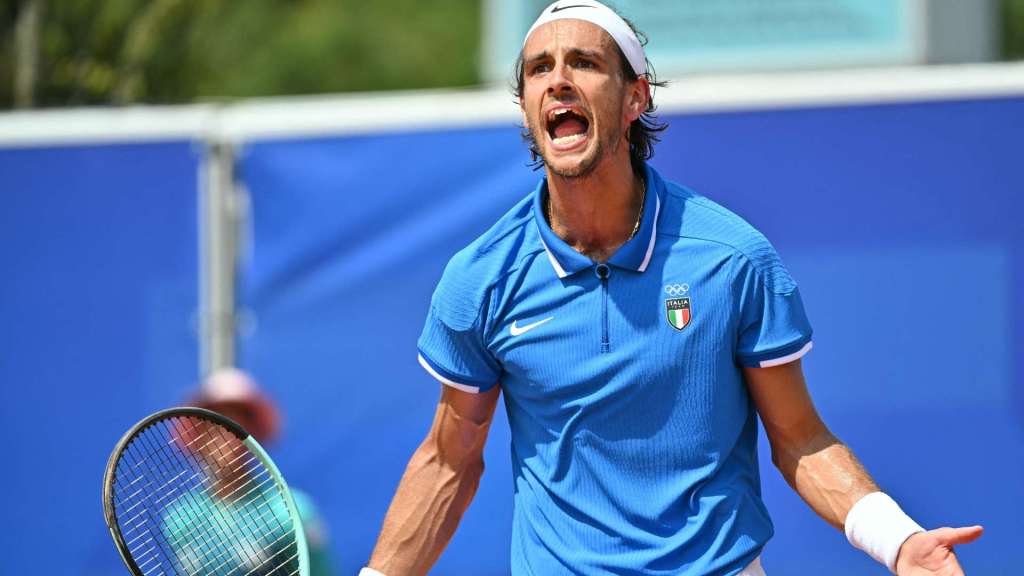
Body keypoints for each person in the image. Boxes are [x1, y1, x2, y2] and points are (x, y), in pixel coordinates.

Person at [361, 2, 983, 574]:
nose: (558, 81)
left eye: (584, 63)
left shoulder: (732, 258)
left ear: (635, 97)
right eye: (539, 69)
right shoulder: (481, 279)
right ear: (525, 105)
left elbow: (800, 438)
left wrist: (897, 540)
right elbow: (448, 461)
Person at [185, 367, 337, 576]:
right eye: (214, 428)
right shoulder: (179, 520)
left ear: (254, 436)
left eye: (235, 428)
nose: (225, 439)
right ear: (197, 437)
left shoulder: (293, 512)